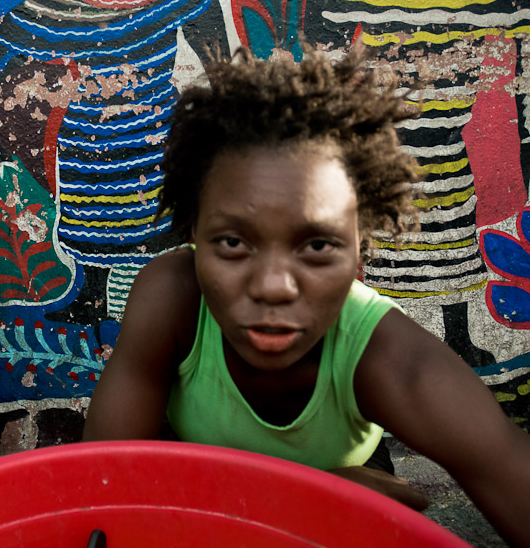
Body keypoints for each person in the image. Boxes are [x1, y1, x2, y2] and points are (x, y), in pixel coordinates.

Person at [82, 47, 530, 547]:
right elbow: (103, 491)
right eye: (233, 243)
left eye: (317, 246)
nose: (274, 286)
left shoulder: (388, 357)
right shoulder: (173, 299)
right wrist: (311, 493)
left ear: (360, 248)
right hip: (214, 501)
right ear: (193, 232)